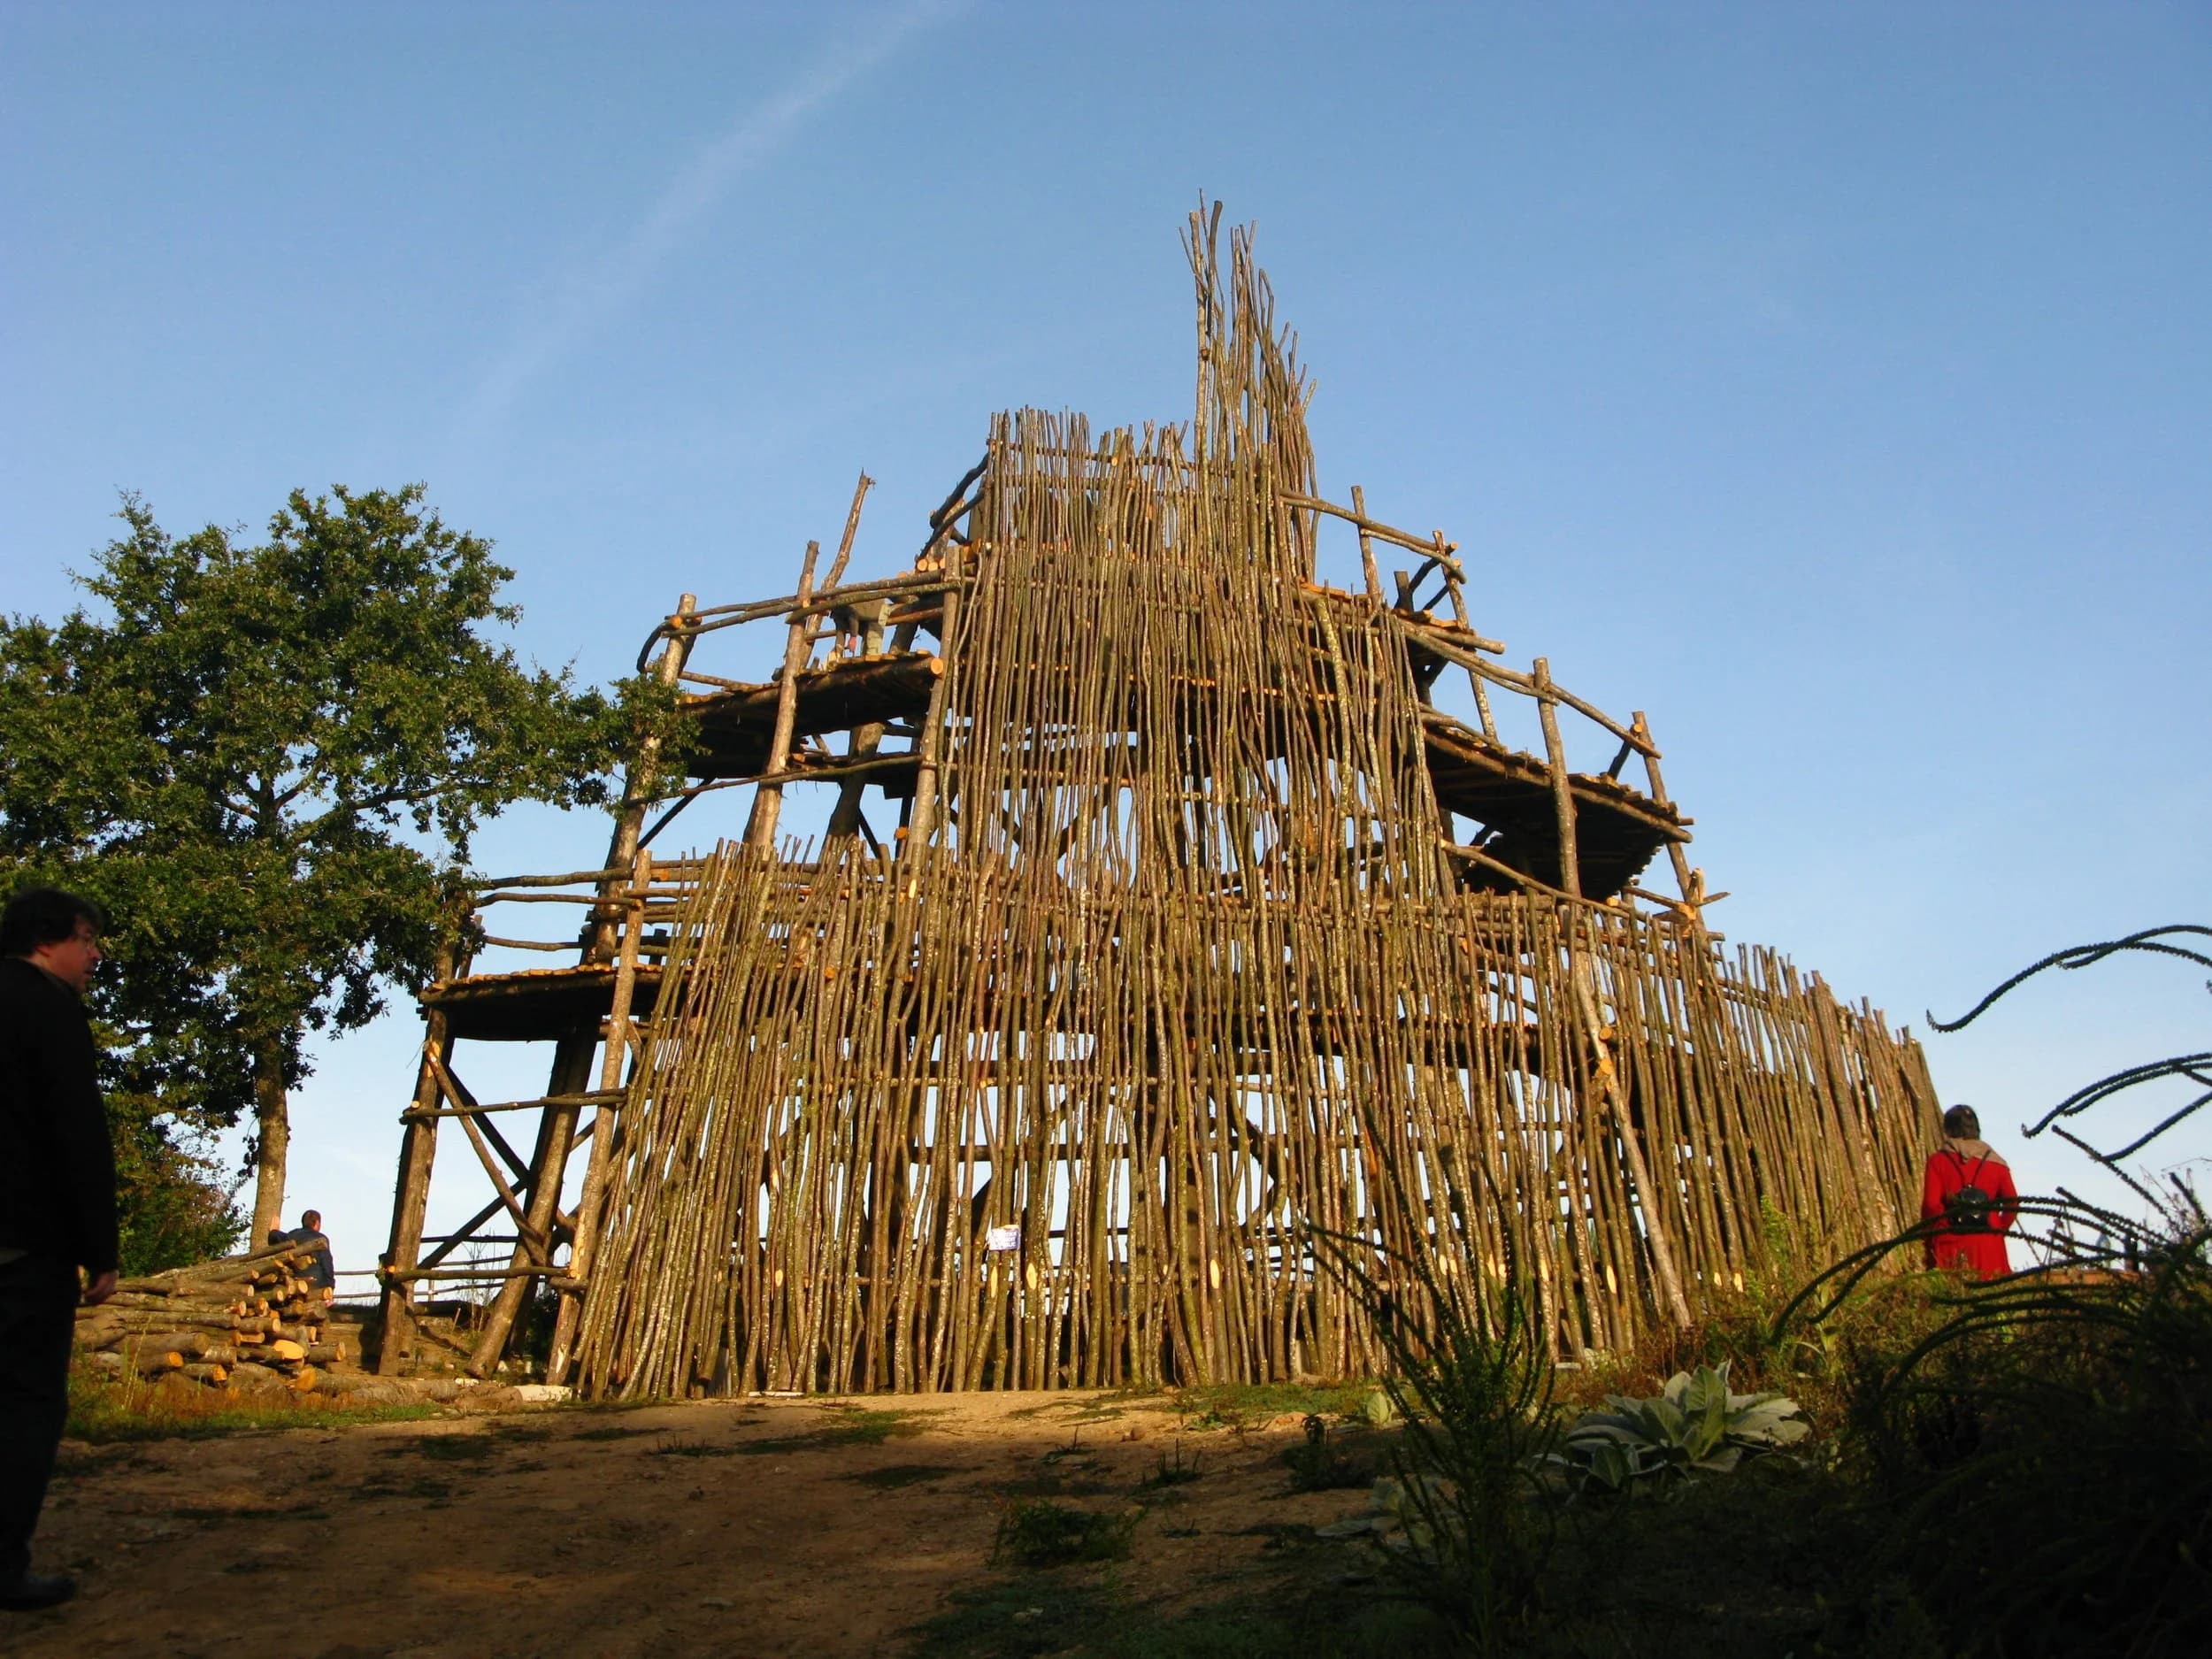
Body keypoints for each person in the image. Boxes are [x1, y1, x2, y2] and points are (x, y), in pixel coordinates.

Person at [0, 887, 119, 1612]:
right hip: (23, 1249)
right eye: (87, 940)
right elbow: (77, 1135)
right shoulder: (49, 1008)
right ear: (48, 941)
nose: (95, 956)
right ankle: (3, 1565)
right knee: (24, 1405)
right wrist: (98, 1247)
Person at [1920, 1103, 2017, 1277]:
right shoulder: (1997, 1163)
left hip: (1950, 1244)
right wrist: (1998, 1229)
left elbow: (1931, 1205)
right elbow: (2012, 1204)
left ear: (1948, 1130)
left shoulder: (1938, 1161)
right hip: (1990, 1247)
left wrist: (1932, 1238)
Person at [286, 1210, 334, 1302]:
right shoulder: (321, 1240)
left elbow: (276, 1236)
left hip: (294, 1284)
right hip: (316, 1285)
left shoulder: (291, 1235)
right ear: (317, 1223)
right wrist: (330, 1286)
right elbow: (327, 1264)